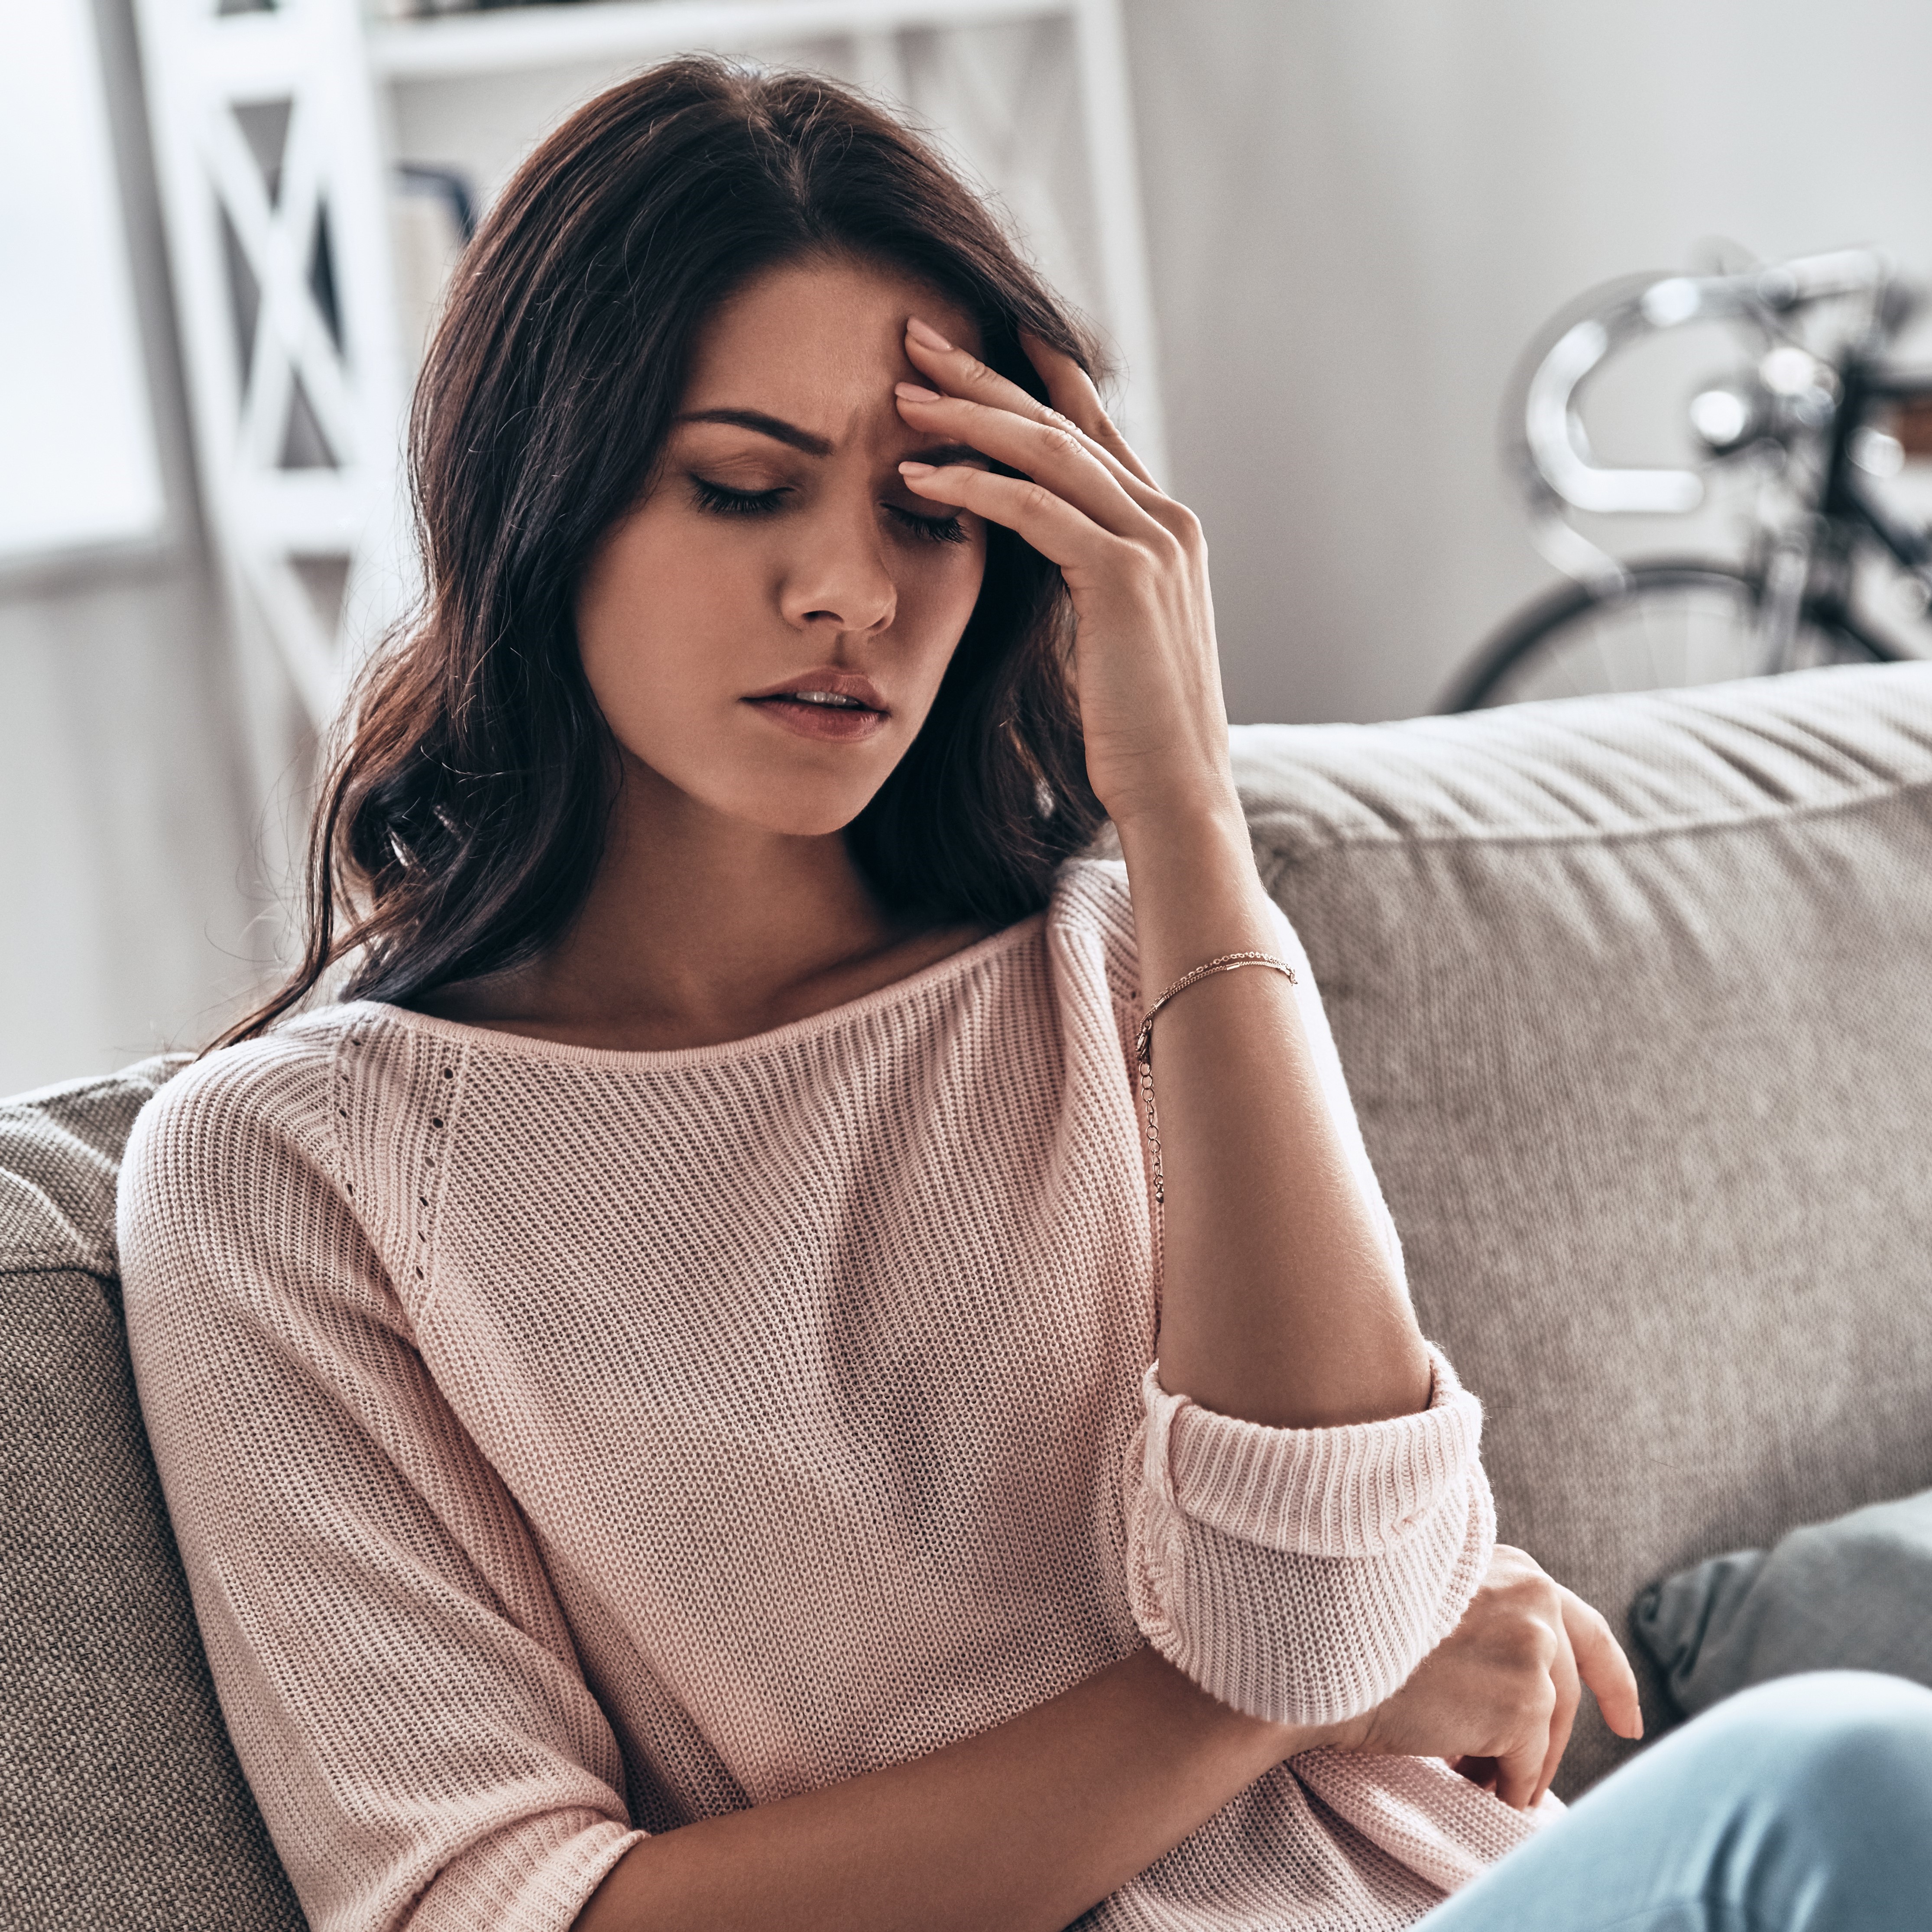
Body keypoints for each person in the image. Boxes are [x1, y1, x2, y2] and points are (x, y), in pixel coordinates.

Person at [117, 57, 1932, 1932]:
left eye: (929, 507)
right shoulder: (293, 1176)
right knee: (1840, 1777)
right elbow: (510, 1910)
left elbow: (1327, 1595)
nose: (850, 587)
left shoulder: (1118, 960)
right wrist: (1246, 1702)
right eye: (743, 488)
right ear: (536, 501)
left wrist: (1187, 809)